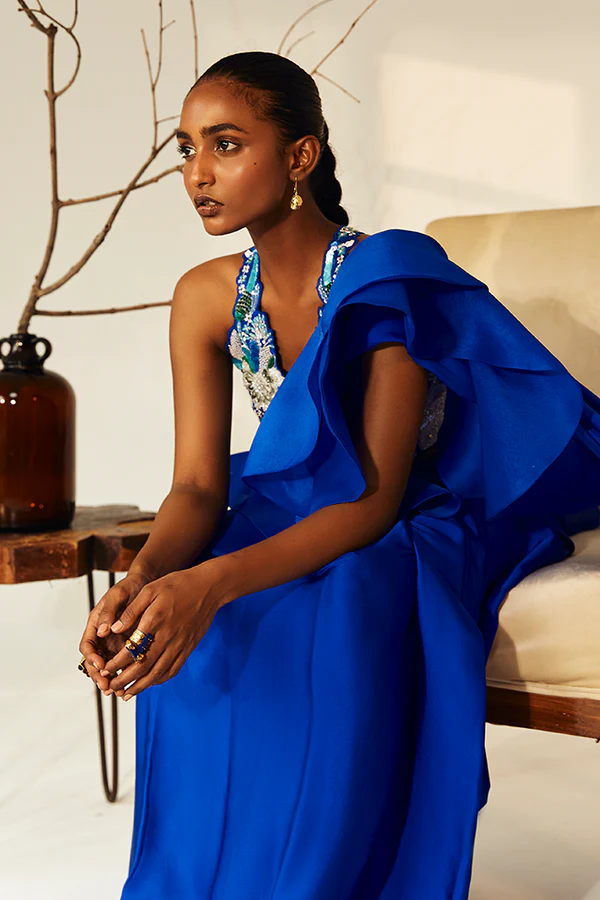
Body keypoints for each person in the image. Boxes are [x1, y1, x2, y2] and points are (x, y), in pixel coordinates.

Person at [78, 50, 600, 899]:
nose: (197, 173)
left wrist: (207, 584)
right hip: (277, 507)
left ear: (300, 156)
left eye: (225, 144)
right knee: (185, 631)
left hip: (399, 515)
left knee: (343, 600)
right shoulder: (205, 297)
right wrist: (141, 585)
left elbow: (374, 498)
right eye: (187, 148)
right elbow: (199, 489)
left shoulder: (383, 273)